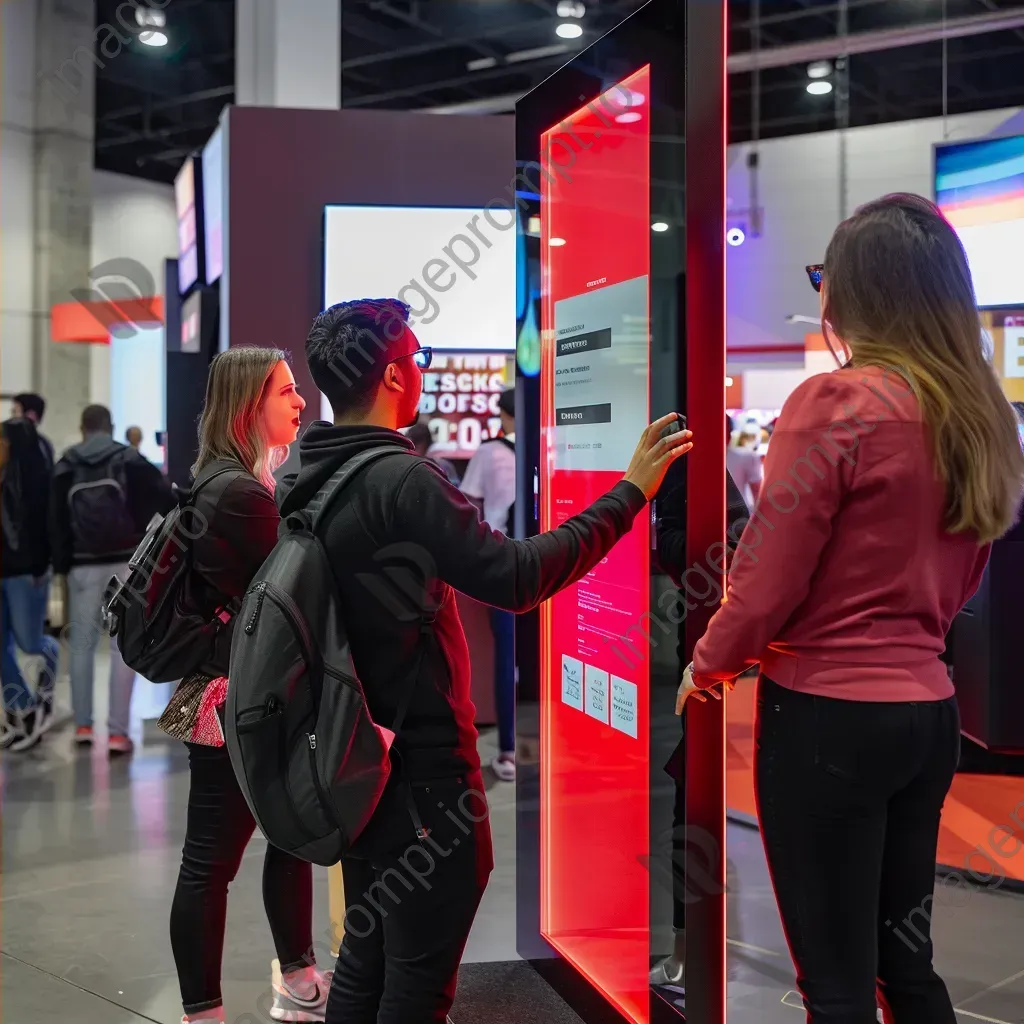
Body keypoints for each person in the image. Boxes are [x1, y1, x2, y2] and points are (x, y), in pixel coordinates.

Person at [287, 298, 692, 1024]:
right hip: (421, 773)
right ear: (391, 374)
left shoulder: (305, 478)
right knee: (415, 984)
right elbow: (516, 576)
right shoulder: (401, 479)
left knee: (368, 961)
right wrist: (630, 493)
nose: (422, 370)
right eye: (418, 356)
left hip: (354, 759)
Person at [679, 194, 1024, 1023]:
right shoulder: (979, 415)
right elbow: (970, 571)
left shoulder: (837, 403)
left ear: (858, 289)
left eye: (825, 274)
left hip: (826, 720)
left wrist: (708, 660)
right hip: (927, 716)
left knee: (834, 979)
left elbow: (766, 576)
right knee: (906, 968)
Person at [158, 347, 326, 1024]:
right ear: (247, 407)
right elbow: (295, 594)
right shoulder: (237, 495)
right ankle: (205, 1011)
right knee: (211, 864)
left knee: (284, 843)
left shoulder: (233, 483)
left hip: (250, 698)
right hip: (237, 703)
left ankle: (301, 977)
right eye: (285, 391)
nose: (300, 402)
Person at [51, 404, 173, 754]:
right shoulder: (129, 460)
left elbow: (54, 520)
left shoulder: (66, 464)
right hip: (125, 563)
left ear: (82, 427)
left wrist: (61, 565)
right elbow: (164, 496)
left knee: (82, 644)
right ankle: (119, 732)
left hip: (82, 564)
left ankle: (83, 727)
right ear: (111, 426)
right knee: (123, 646)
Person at [460, 387, 518, 781]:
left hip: (506, 563)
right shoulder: (557, 445)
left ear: (503, 414)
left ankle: (511, 750)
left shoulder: (489, 451)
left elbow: (468, 505)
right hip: (555, 557)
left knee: (507, 655)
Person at [1, 415, 59, 751]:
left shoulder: (35, 483)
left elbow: (46, 529)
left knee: (31, 642)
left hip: (27, 572)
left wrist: (42, 566)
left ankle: (44, 691)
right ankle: (23, 708)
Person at [726, 420, 763, 510]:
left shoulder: (747, 456)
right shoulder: (747, 456)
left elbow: (757, 490)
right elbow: (757, 491)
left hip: (740, 512)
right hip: (741, 513)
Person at [12, 392, 55, 467]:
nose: (12, 417)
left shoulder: (42, 445)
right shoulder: (44, 444)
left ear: (31, 416)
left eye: (15, 412)